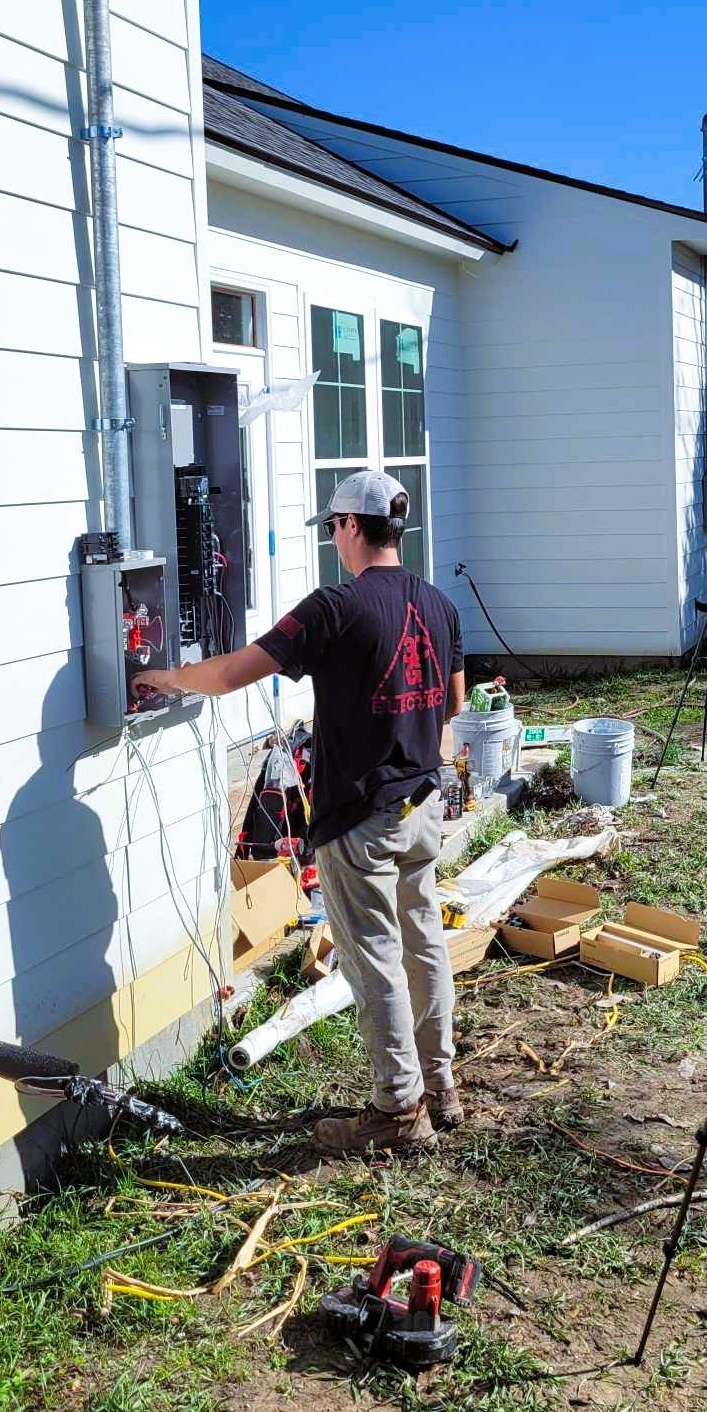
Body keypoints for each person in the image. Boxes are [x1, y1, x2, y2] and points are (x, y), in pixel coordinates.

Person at [134, 470, 465, 1158]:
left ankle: (399, 1110)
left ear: (349, 526)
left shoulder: (334, 608)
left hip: (362, 817)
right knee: (423, 942)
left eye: (334, 529)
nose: (334, 542)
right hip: (425, 804)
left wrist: (164, 678)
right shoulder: (438, 604)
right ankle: (442, 1084)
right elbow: (454, 705)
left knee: (374, 958)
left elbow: (229, 676)